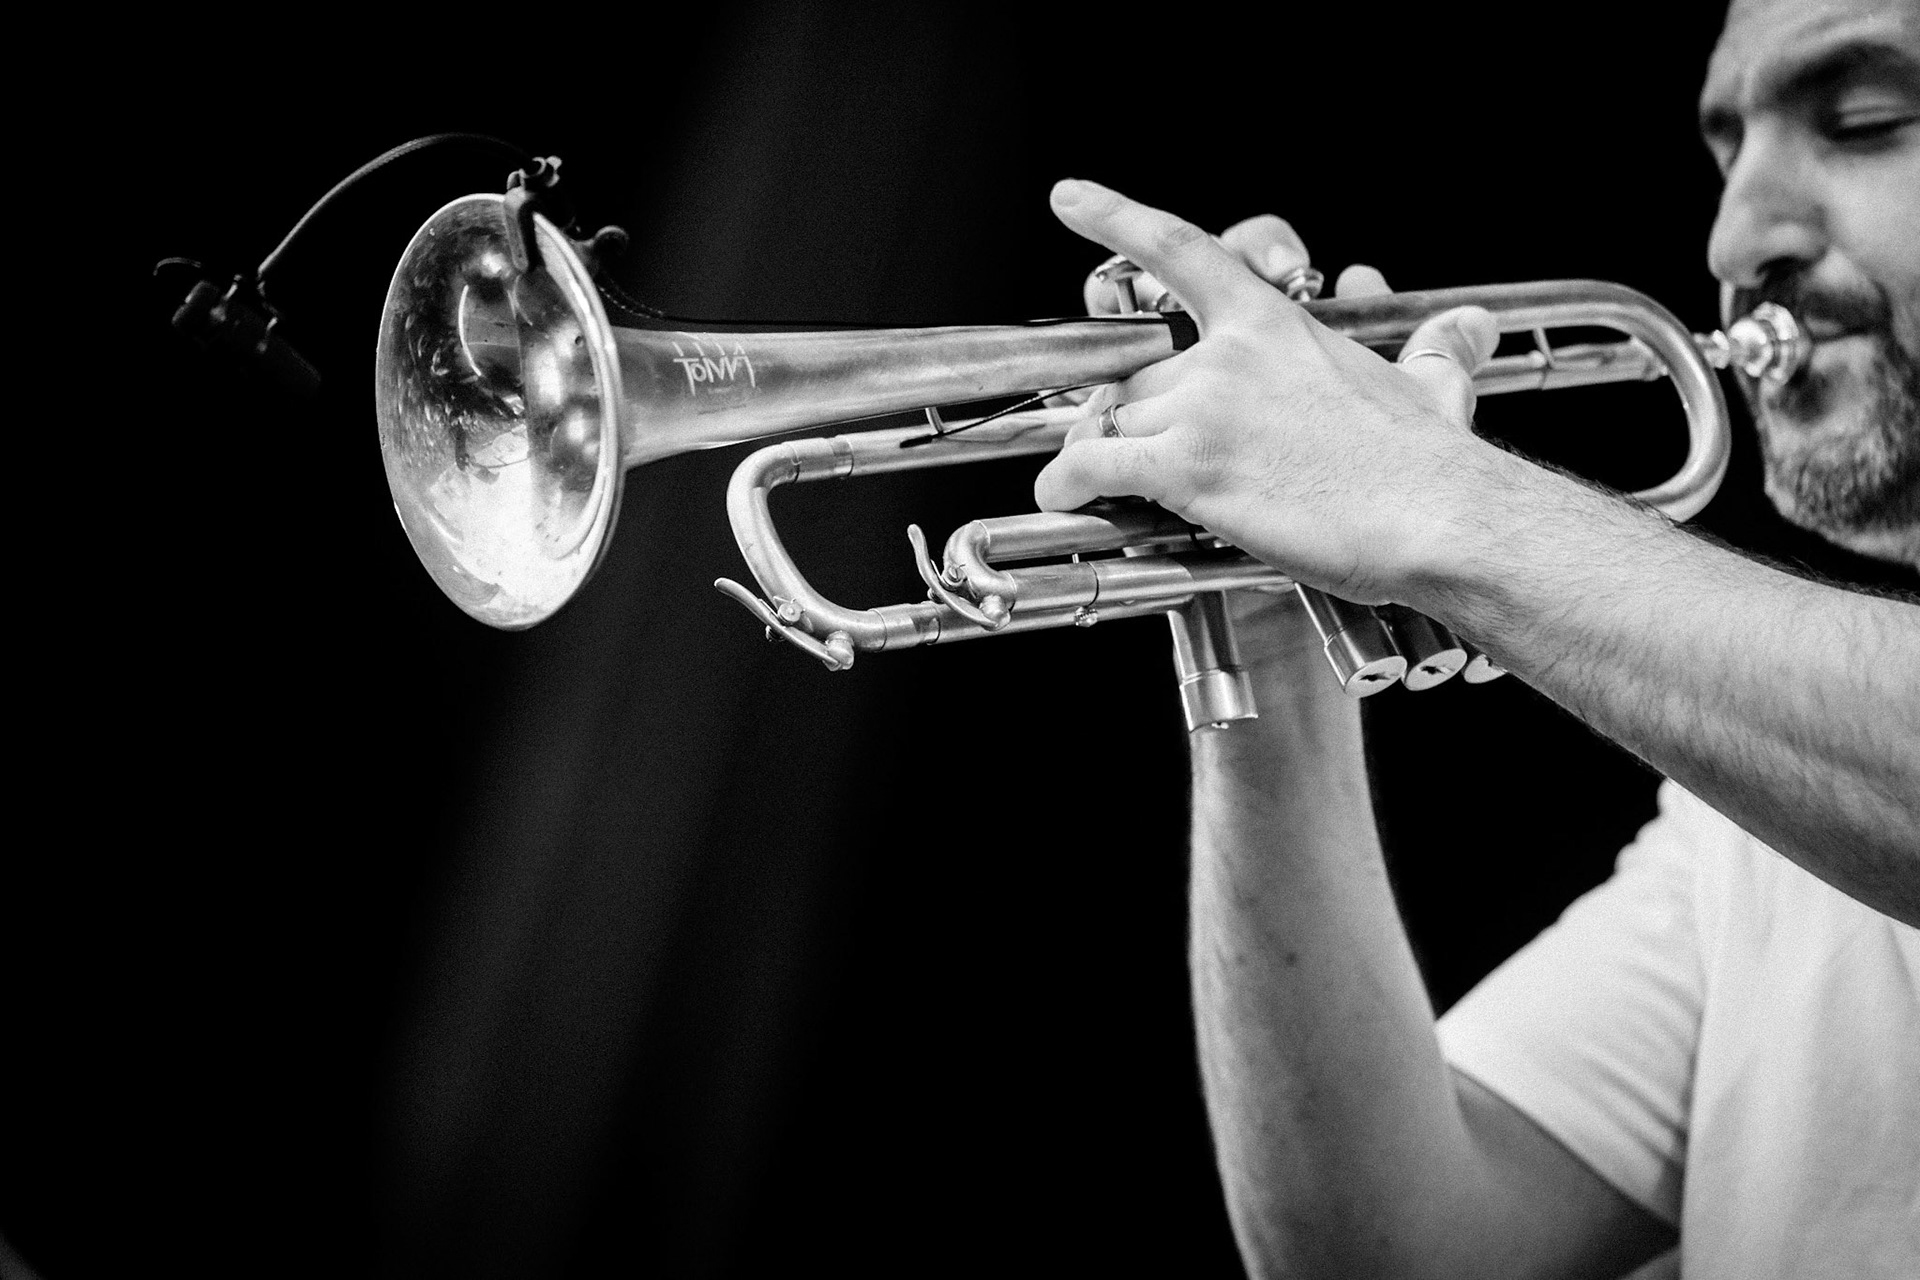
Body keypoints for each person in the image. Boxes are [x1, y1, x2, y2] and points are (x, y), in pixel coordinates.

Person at [1032, 0, 1919, 1276]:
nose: (1735, 235)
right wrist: (1274, 617)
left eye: (1865, 123)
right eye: (1729, 153)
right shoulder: (1757, 829)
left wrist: (1428, 496)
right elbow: (1388, 1251)